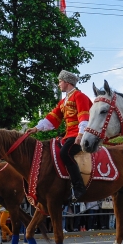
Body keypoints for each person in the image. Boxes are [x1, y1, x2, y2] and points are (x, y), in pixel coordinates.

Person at [31, 71, 92, 201]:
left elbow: (84, 117)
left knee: (66, 153)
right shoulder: (63, 101)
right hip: (69, 135)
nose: (58, 84)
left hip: (80, 134)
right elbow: (52, 118)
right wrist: (36, 128)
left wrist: (81, 134)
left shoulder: (80, 96)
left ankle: (79, 187)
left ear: (67, 82)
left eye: (60, 81)